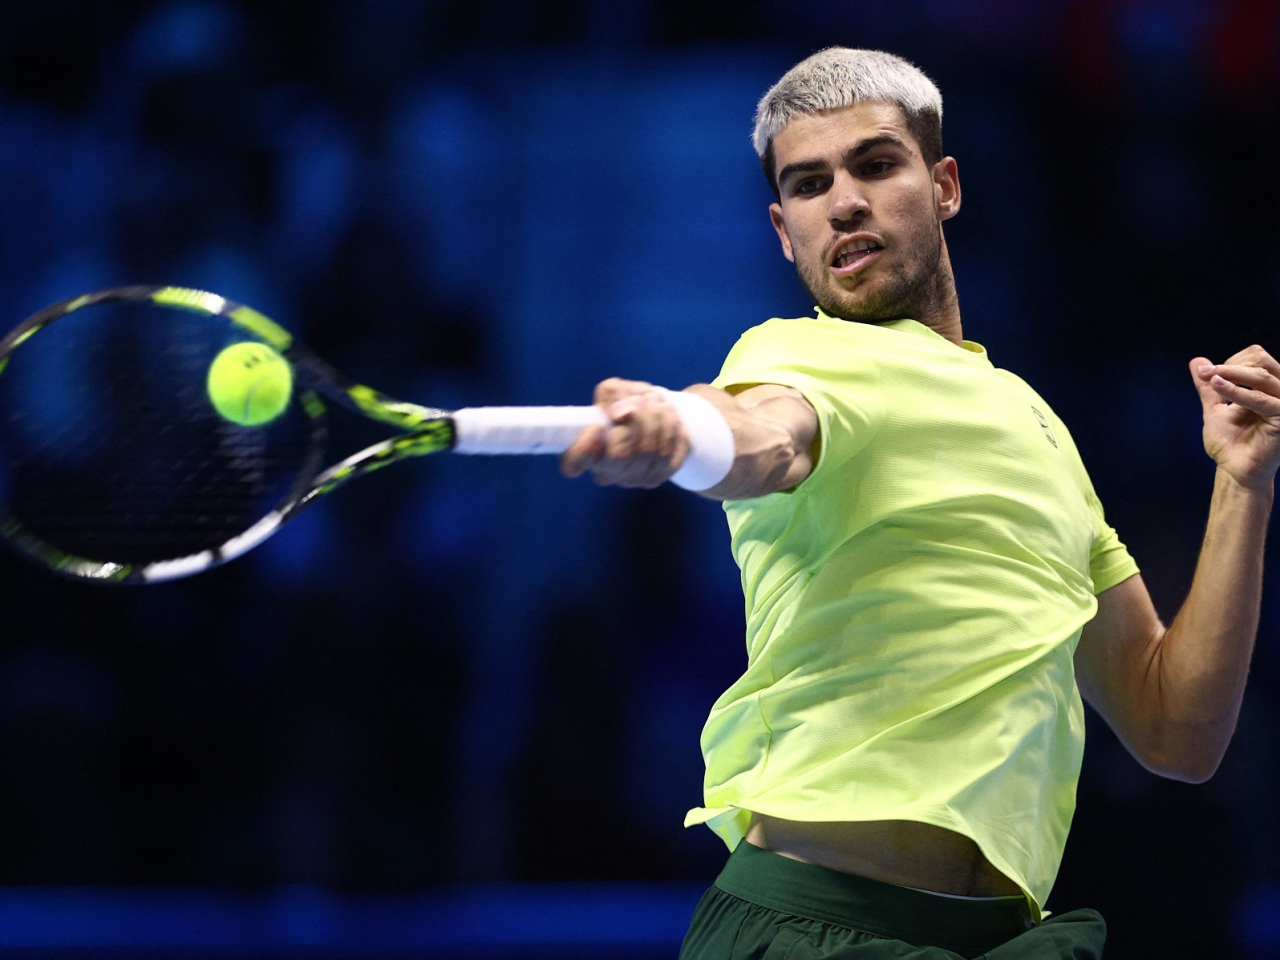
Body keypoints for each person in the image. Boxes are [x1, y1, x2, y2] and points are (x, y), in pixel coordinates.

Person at [560, 47, 1279, 959]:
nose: (845, 201)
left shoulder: (1036, 425)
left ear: (943, 186)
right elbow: (761, 435)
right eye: (810, 184)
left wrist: (1243, 481)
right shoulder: (798, 356)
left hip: (993, 938)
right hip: (818, 930)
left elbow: (1176, 729)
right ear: (786, 232)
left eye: (874, 164)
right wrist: (683, 433)